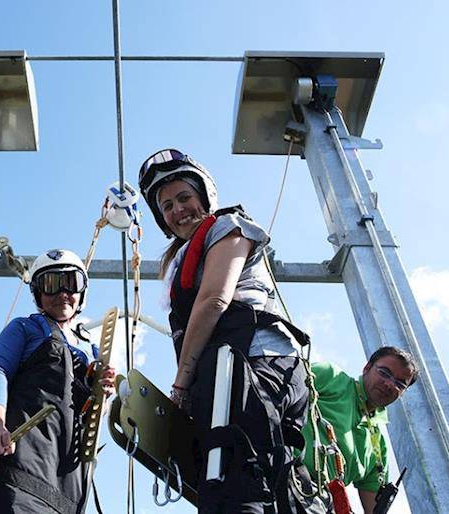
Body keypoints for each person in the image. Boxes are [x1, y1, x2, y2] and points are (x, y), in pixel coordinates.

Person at [138, 148, 323, 513]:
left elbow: (213, 300)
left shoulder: (229, 227)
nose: (178, 210)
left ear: (204, 197)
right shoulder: (183, 259)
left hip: (251, 366)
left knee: (238, 487)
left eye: (184, 198)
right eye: (167, 206)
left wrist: (180, 386)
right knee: (257, 481)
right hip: (231, 374)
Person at [0, 249, 116, 514]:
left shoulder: (92, 352)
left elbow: (92, 416)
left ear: (82, 291)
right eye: (51, 284)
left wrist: (103, 396)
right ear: (37, 293)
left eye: (71, 282)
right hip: (22, 466)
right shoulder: (25, 329)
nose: (62, 293)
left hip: (68, 482)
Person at [302, 346, 418, 513]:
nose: (389, 384)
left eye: (400, 384)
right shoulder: (331, 377)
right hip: (280, 476)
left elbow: (373, 510)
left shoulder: (378, 448)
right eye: (385, 373)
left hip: (318, 505)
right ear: (367, 368)